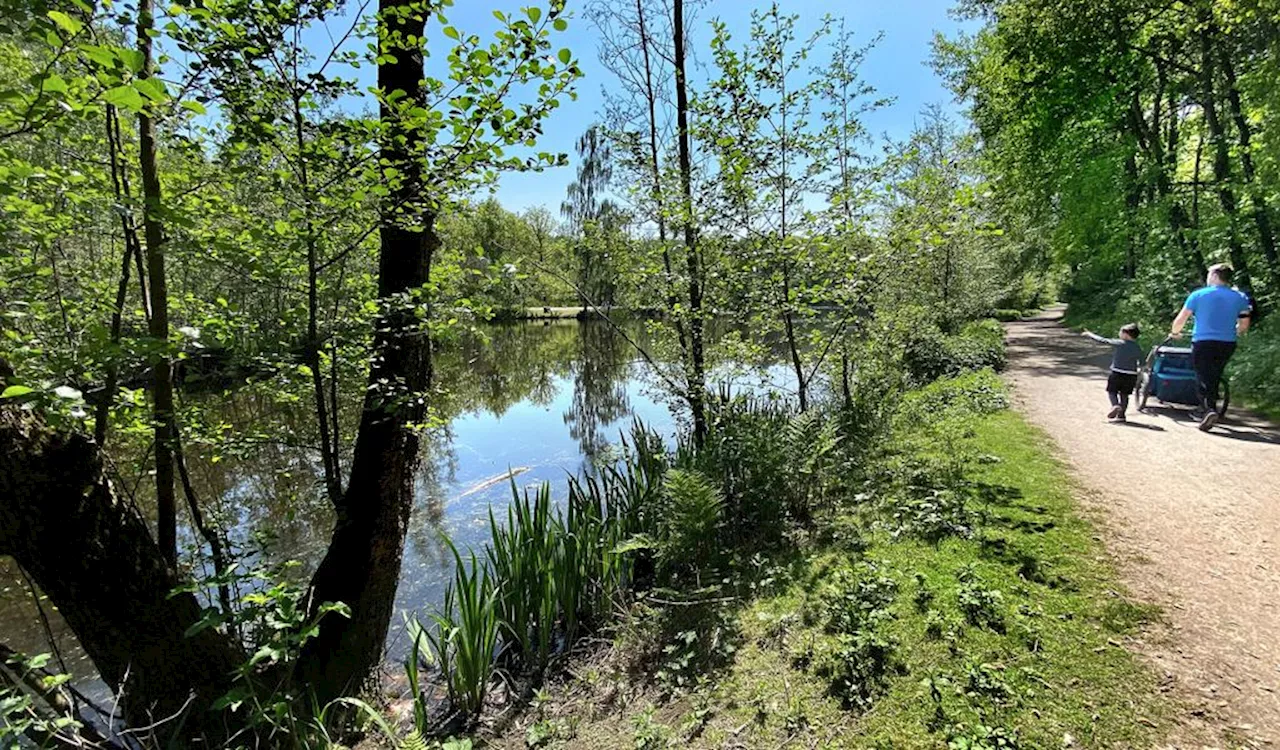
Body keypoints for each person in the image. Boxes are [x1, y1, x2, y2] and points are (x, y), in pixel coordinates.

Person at [1169, 263, 1252, 432]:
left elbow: (1181, 318)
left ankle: (1208, 409)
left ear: (1214, 276)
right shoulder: (1240, 297)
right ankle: (1210, 407)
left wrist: (1175, 332)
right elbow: (1244, 324)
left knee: (1203, 374)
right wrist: (1233, 332)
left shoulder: (1198, 295)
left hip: (1203, 341)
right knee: (1215, 373)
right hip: (1227, 343)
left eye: (1209, 274)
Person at [1082, 324, 1143, 422]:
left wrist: (1090, 334)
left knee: (1112, 391)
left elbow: (1104, 340)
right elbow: (1142, 361)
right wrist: (1141, 370)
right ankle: (1121, 416)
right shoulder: (1137, 347)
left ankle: (1115, 405)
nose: (1119, 334)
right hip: (1131, 375)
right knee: (1125, 395)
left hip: (1117, 372)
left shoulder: (1120, 343)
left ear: (1126, 334)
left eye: (1121, 332)